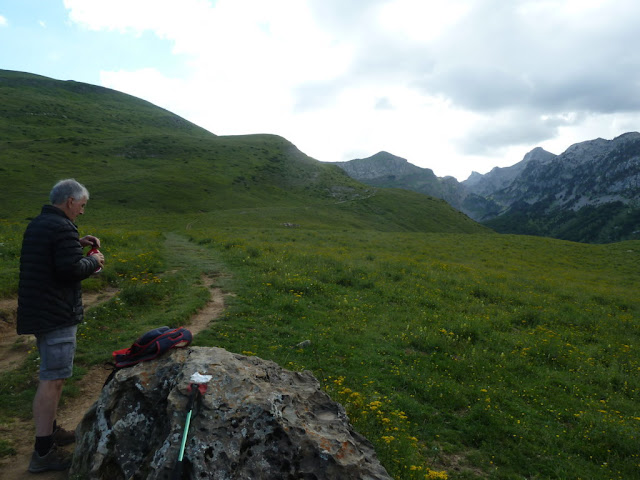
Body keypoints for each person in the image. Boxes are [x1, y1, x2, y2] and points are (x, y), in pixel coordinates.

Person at [17, 179, 105, 473]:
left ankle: (51, 432)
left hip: (41, 311)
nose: (81, 212)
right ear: (70, 201)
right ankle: (43, 452)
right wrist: (95, 261)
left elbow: (52, 260)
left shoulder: (41, 223)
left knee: (51, 376)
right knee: (53, 380)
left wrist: (75, 245)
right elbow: (70, 270)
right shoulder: (61, 227)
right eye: (82, 205)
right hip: (56, 314)